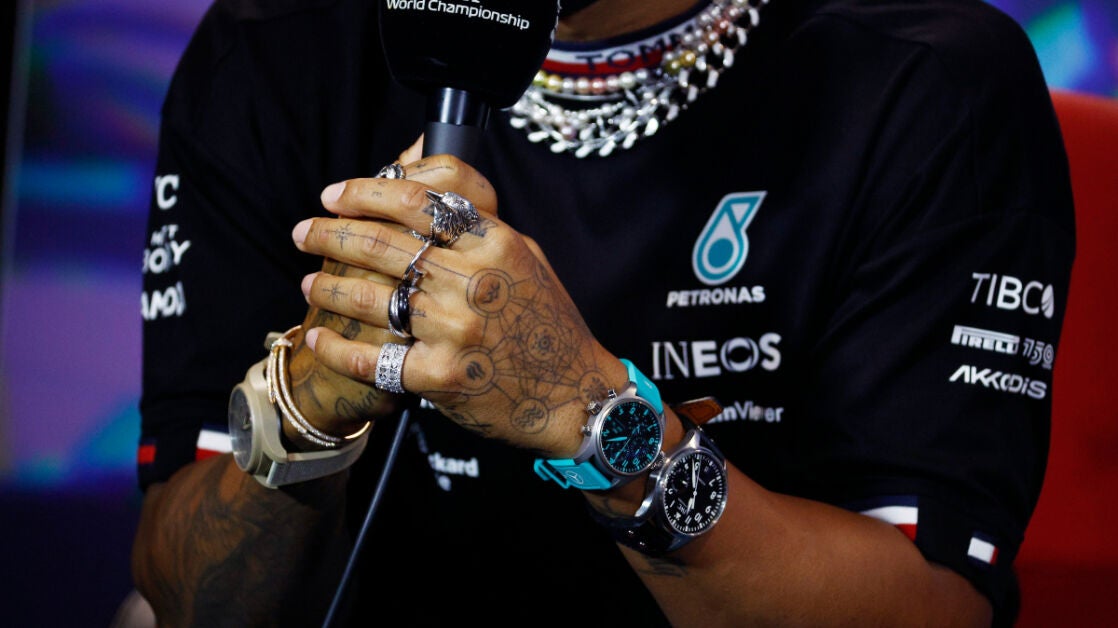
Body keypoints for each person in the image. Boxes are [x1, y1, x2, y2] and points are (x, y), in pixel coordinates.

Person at [132, 0, 1075, 625]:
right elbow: (187, 598)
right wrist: (306, 407)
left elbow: (934, 606)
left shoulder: (927, 78)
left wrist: (595, 420)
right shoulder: (274, 48)